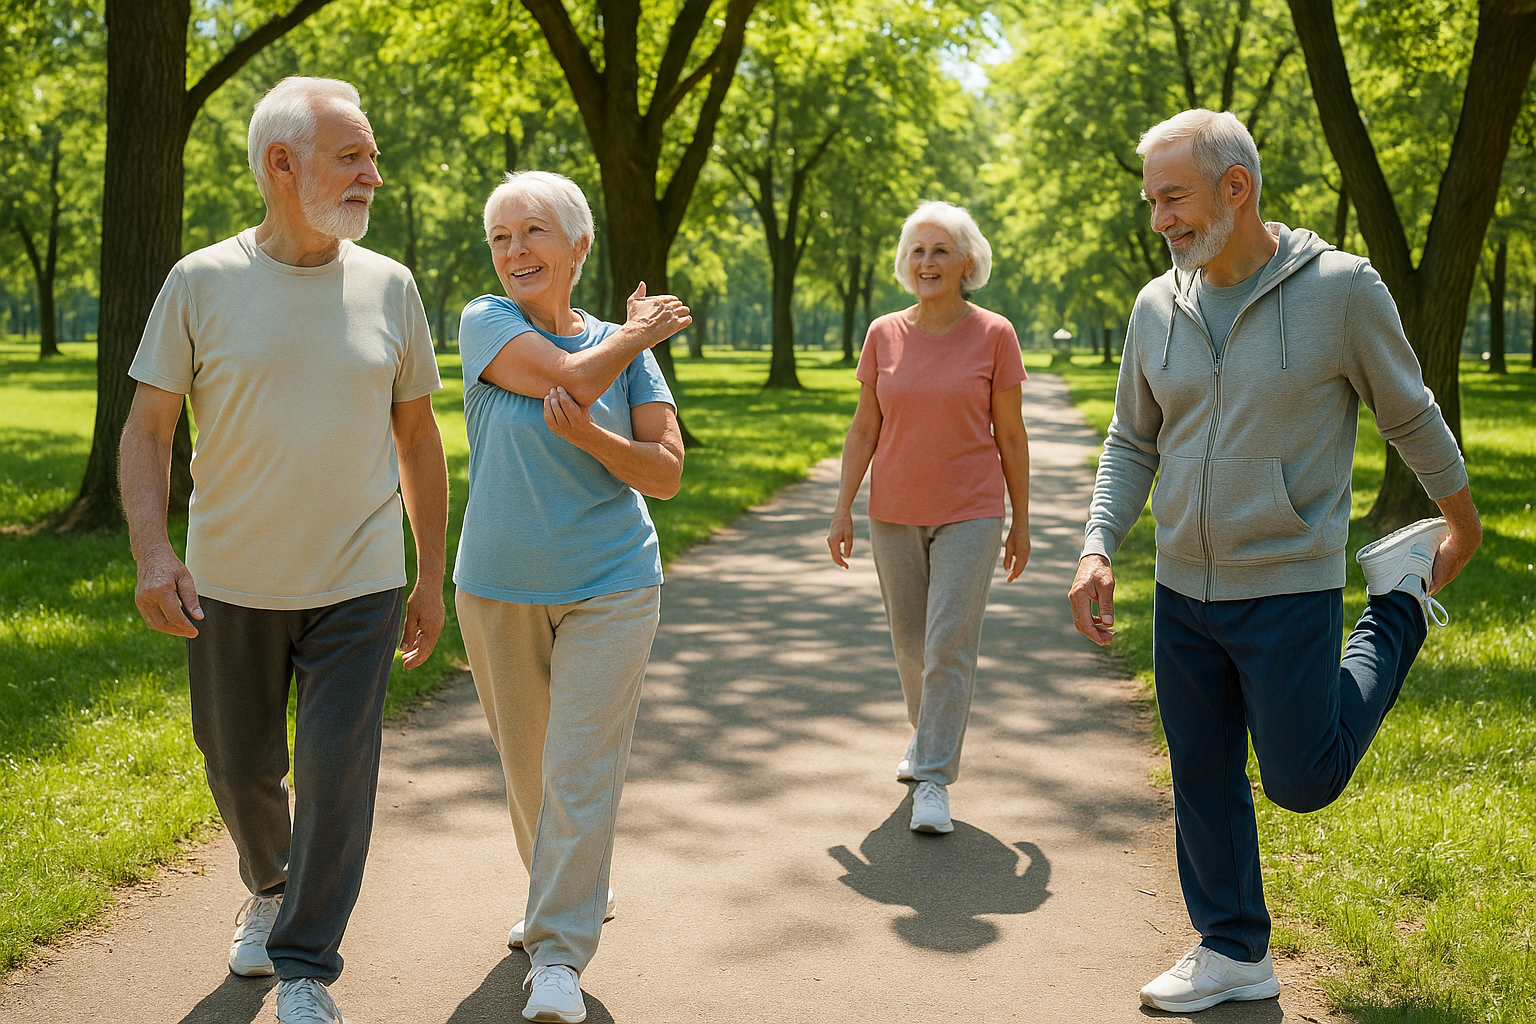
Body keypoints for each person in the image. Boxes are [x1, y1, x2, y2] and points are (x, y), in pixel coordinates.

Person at [1067, 109, 1481, 1013]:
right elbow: (1131, 441)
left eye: (1172, 198)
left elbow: (1407, 411)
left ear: (1235, 188)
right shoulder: (1155, 304)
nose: (1159, 220)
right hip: (1182, 584)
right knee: (1202, 774)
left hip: (1287, 579)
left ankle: (1398, 602)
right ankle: (1232, 950)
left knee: (1302, 779)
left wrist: (1461, 520)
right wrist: (1101, 545)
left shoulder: (1340, 290)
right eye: (1152, 202)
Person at [120, 77, 447, 1024]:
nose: (374, 176)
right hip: (229, 582)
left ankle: (306, 965)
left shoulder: (391, 286)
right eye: (355, 156)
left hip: (360, 581)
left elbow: (418, 440)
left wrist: (428, 574)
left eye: (372, 156)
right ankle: (269, 882)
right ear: (282, 165)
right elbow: (147, 431)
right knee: (236, 764)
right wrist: (153, 554)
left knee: (341, 771)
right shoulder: (200, 281)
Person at [454, 170, 689, 1024]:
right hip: (497, 587)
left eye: (534, 233)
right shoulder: (487, 321)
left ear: (578, 247)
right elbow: (568, 373)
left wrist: (593, 433)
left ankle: (556, 953)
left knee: (580, 768)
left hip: (612, 582)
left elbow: (664, 473)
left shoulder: (628, 354)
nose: (514, 251)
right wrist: (633, 337)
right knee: (529, 770)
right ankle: (569, 884)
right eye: (501, 237)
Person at [827, 200, 1031, 835]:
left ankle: (934, 777)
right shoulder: (884, 334)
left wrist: (1020, 521)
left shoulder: (995, 334)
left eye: (940, 250)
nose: (927, 262)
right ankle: (926, 738)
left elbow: (1012, 436)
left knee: (948, 645)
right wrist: (842, 509)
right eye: (917, 251)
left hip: (970, 513)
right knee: (912, 647)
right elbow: (865, 428)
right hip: (892, 513)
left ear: (968, 262)